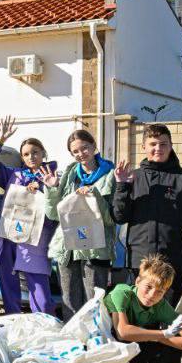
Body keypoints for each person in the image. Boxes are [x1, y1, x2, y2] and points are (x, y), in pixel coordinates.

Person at [112, 124, 182, 300]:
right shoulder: (132, 177)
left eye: (163, 144)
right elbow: (120, 217)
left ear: (171, 146)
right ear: (144, 146)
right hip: (140, 258)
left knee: (172, 311)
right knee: (142, 308)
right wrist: (122, 186)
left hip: (175, 258)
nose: (158, 148)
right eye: (153, 144)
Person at [0, 116, 56, 314]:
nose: (31, 157)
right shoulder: (14, 175)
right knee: (7, 284)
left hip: (34, 239)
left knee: (40, 290)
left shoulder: (53, 175)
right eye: (26, 154)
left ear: (43, 153)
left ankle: (45, 322)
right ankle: (13, 323)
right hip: (8, 235)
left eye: (35, 152)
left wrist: (43, 187)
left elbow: (56, 203)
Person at [46, 128, 116, 319]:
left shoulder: (110, 174)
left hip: (95, 247)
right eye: (75, 151)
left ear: (94, 146)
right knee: (69, 300)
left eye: (84, 148)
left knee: (94, 300)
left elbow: (112, 217)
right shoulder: (70, 173)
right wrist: (52, 189)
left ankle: (96, 340)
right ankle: (73, 340)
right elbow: (54, 214)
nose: (80, 154)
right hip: (67, 247)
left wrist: (95, 197)